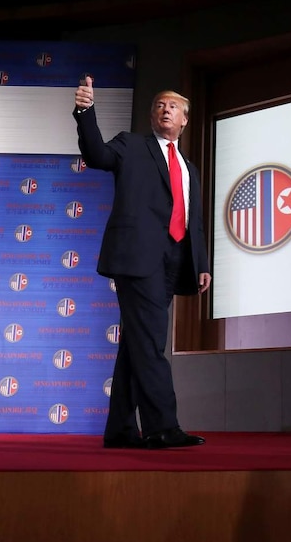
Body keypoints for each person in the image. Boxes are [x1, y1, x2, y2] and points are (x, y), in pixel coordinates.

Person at [73, 76, 211, 449]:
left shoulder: (189, 168)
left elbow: (192, 220)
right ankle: (162, 427)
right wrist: (85, 112)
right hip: (137, 258)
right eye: (159, 105)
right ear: (152, 116)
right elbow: (97, 155)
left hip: (174, 261)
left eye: (173, 106)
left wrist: (200, 262)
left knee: (136, 344)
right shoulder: (131, 145)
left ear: (184, 119)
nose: (165, 109)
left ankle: (119, 430)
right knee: (150, 341)